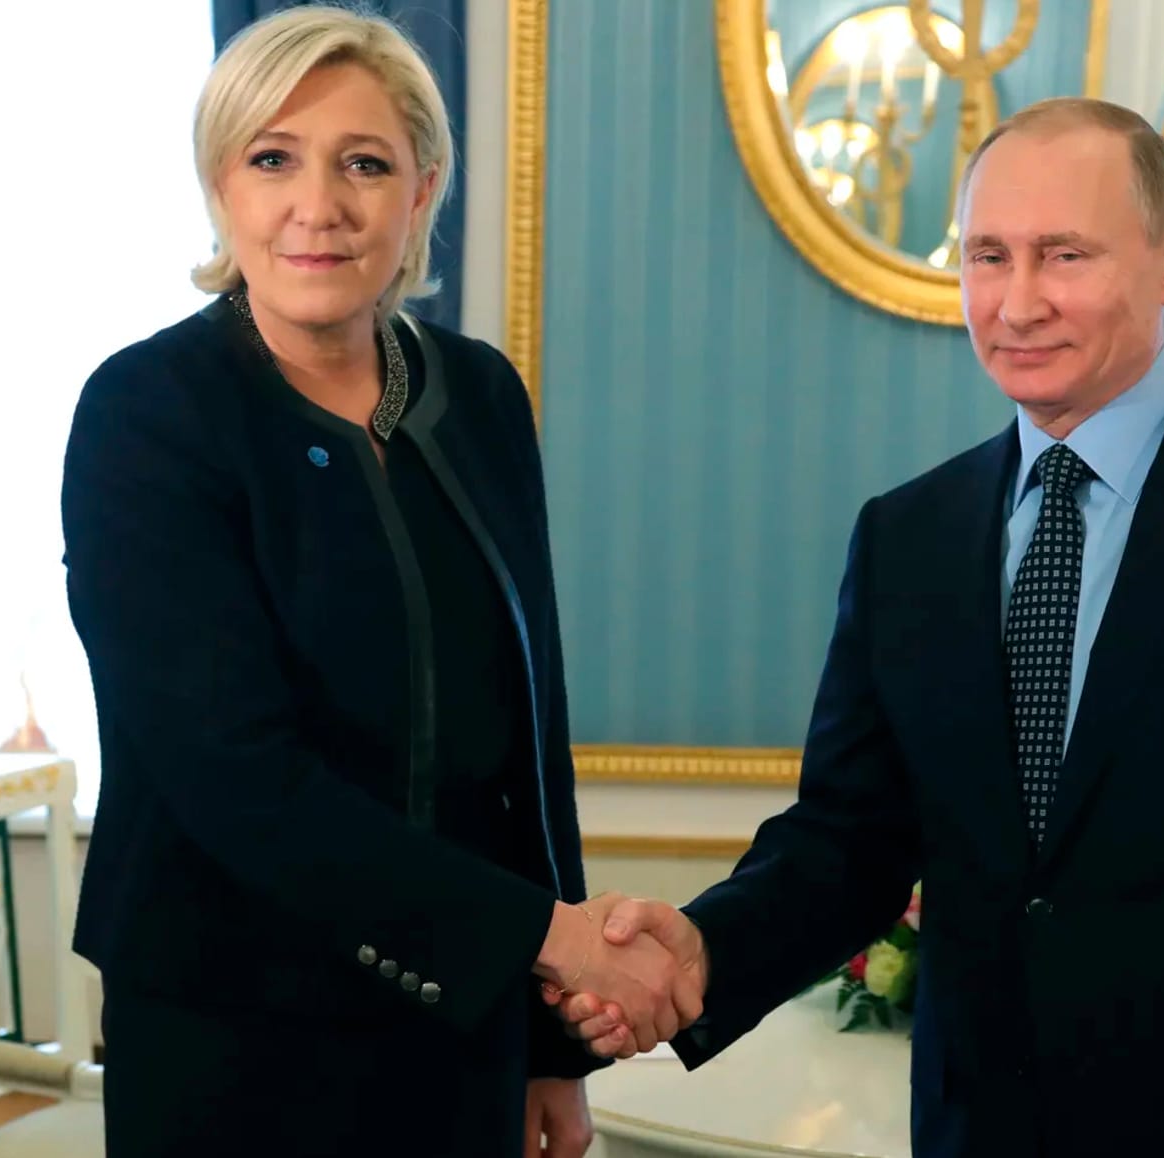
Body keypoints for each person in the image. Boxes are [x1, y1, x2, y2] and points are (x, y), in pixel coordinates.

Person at [549, 97, 1164, 1156]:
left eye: (1064, 256)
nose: (1017, 303)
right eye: (988, 256)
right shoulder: (907, 537)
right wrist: (700, 951)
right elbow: (849, 842)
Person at [60, 7, 698, 1156]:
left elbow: (529, 739)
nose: (318, 205)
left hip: (462, 1023)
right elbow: (232, 776)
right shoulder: (144, 414)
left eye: (363, 163)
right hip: (231, 1032)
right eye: (272, 159)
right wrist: (552, 939)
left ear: (421, 192)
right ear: (220, 186)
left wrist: (552, 1047)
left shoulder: (479, 394)